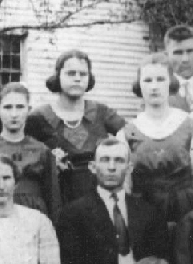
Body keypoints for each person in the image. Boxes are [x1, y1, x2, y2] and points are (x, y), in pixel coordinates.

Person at [57, 138, 169, 264]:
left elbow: (160, 258)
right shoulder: (73, 213)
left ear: (129, 167)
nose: (111, 167)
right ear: (93, 167)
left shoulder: (148, 211)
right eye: (105, 160)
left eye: (118, 160)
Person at [119, 52, 193, 228]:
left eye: (160, 79)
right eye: (148, 80)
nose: (154, 86)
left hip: (187, 212)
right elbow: (125, 187)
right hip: (144, 215)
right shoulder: (127, 133)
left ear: (170, 82)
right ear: (139, 85)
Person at [26, 51, 125, 206]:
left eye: (83, 74)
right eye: (71, 73)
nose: (77, 78)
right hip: (58, 198)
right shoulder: (39, 118)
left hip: (98, 196)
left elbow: (130, 137)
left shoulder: (101, 112)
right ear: (58, 76)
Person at [0, 82, 60, 221]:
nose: (14, 114)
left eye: (20, 107)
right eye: (8, 107)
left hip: (34, 215)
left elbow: (53, 196)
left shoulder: (41, 150)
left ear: (29, 110)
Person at [164, 25, 193, 111]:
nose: (185, 59)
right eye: (178, 53)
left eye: (190, 51)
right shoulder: (160, 91)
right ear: (167, 56)